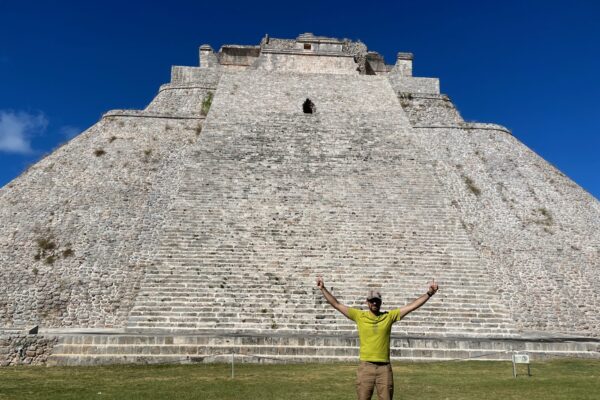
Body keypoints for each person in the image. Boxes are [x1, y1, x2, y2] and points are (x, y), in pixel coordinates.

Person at [316, 276, 439, 400]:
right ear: (367, 302)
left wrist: (429, 293)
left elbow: (411, 306)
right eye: (372, 301)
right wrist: (323, 289)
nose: (374, 303)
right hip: (365, 367)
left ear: (381, 302)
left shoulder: (389, 316)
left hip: (384, 368)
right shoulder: (359, 316)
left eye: (377, 301)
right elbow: (336, 304)